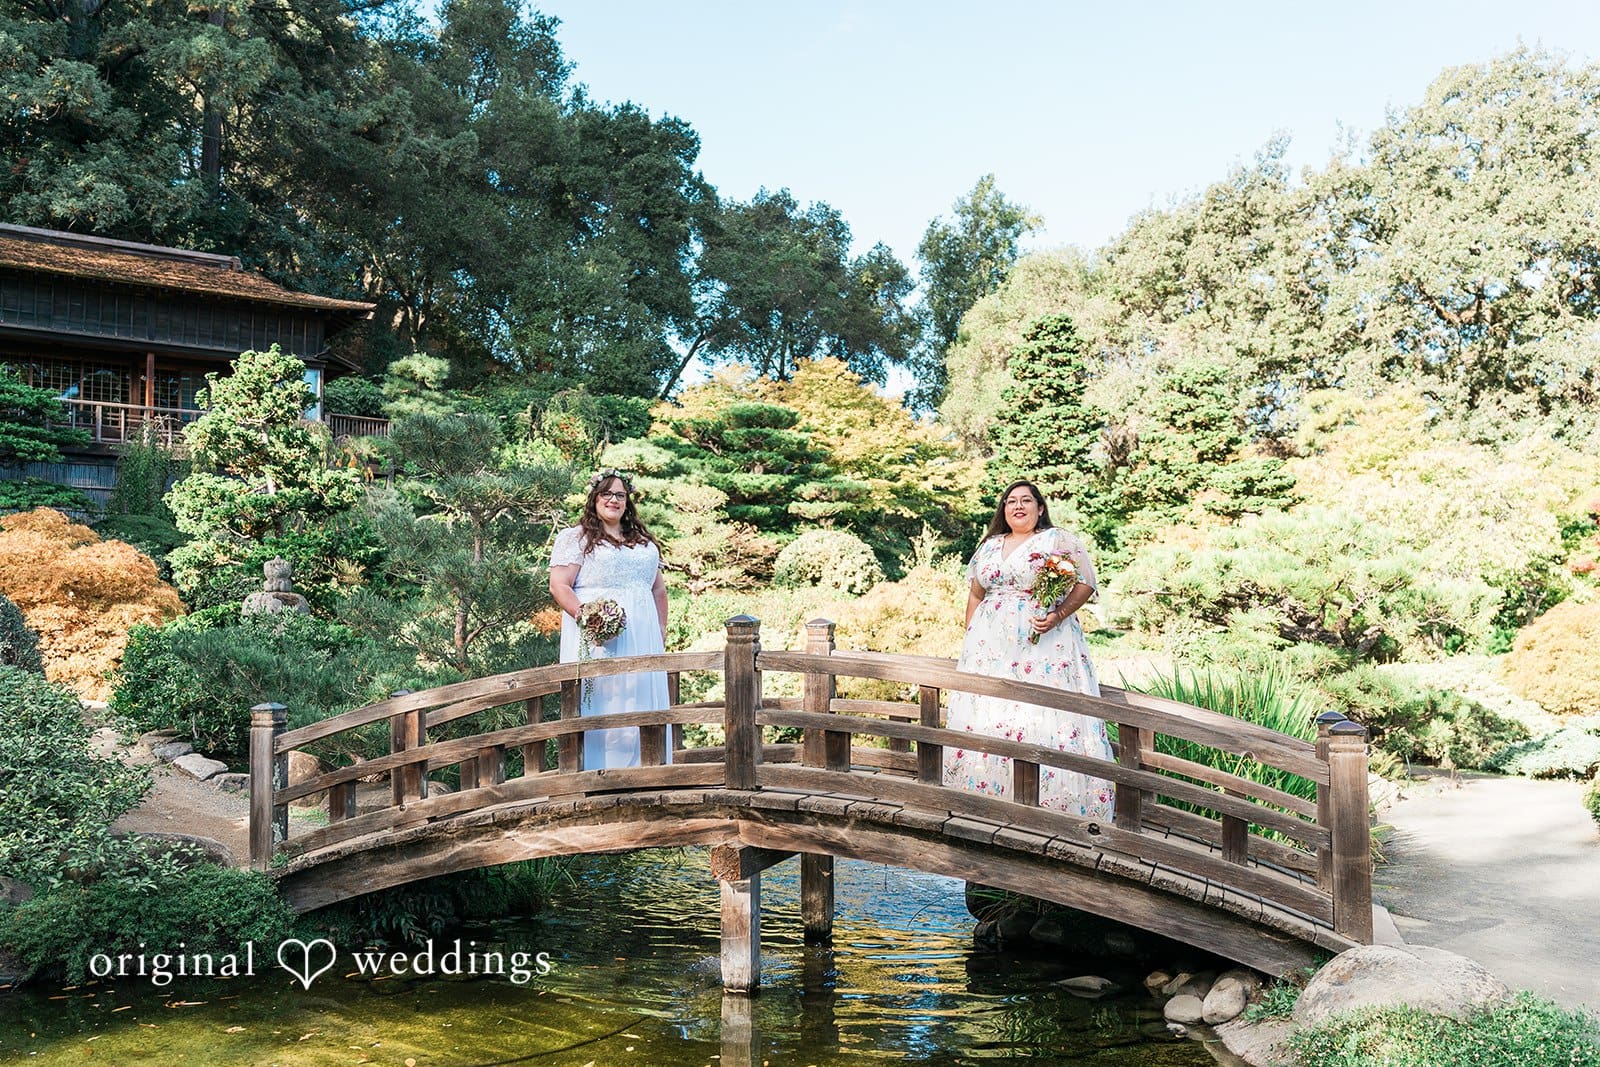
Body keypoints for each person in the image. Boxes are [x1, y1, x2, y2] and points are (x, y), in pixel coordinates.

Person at [943, 479, 1115, 818]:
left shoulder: (1056, 540)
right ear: (1003, 510)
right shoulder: (991, 545)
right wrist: (971, 637)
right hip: (990, 651)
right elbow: (977, 593)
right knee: (991, 713)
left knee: (1040, 715)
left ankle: (1053, 802)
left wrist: (1058, 615)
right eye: (1010, 501)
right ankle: (988, 793)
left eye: (1025, 500)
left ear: (1040, 508)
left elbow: (1086, 583)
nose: (1017, 506)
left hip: (1045, 647)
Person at [548, 468, 671, 769]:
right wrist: (586, 617)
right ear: (594, 497)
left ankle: (648, 768)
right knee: (606, 697)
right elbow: (559, 585)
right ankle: (600, 770)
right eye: (607, 493)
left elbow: (658, 590)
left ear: (627, 501)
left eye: (620, 494)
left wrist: (660, 630)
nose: (613, 500)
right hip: (599, 638)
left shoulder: (642, 542)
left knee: (640, 694)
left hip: (643, 638)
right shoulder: (575, 538)